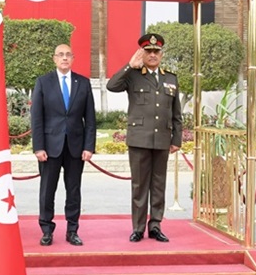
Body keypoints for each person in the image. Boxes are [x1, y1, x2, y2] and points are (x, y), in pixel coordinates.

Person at [107, 34, 182, 243]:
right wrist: (129, 65)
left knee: (158, 185)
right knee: (139, 186)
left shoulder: (170, 78)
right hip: (139, 139)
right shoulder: (133, 75)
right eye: (148, 51)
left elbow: (176, 113)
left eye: (156, 51)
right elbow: (111, 85)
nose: (152, 55)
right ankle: (138, 228)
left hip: (162, 139)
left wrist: (176, 139)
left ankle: (155, 226)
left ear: (161, 54)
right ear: (142, 53)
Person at [31, 44, 96, 246]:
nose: (64, 58)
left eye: (68, 55)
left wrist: (89, 147)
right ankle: (46, 230)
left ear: (73, 58)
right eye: (60, 55)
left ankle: (72, 230)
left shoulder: (83, 83)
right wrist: (38, 147)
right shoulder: (43, 82)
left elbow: (90, 119)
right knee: (47, 190)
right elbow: (37, 118)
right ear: (54, 59)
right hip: (50, 147)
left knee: (73, 191)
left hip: (75, 147)